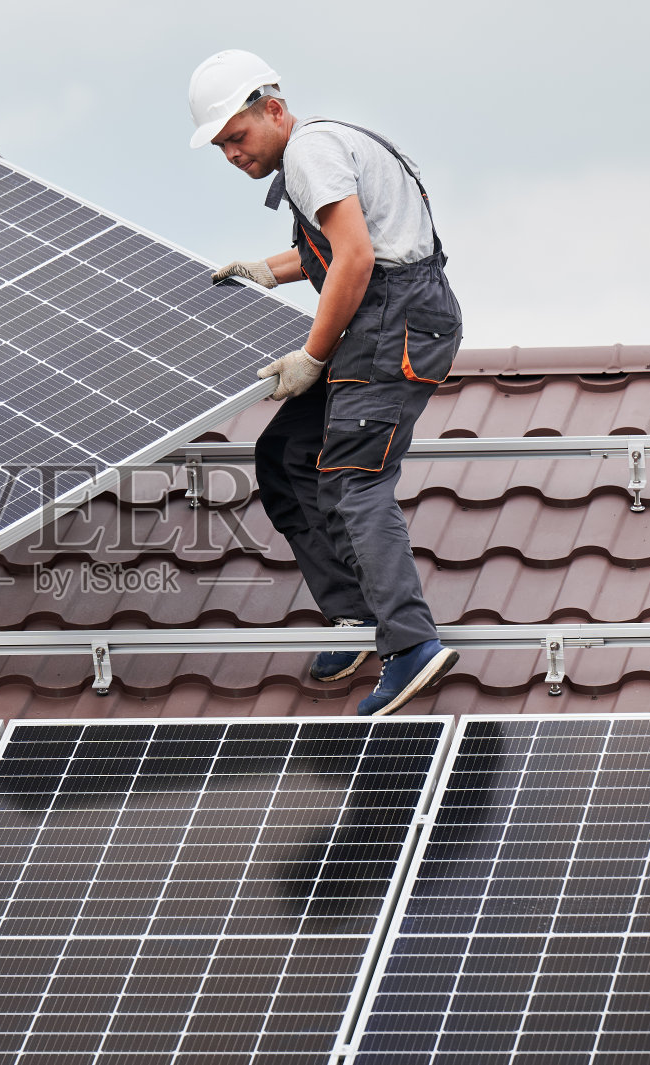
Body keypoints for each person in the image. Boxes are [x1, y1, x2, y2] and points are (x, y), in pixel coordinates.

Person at [190, 50, 463, 715]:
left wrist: (312, 355)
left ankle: (410, 644)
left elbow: (358, 258)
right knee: (284, 457)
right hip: (382, 322)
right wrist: (265, 269)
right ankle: (354, 616)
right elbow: (333, 251)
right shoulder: (322, 148)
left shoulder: (311, 153)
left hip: (396, 325)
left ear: (274, 110)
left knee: (352, 480)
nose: (231, 152)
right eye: (221, 143)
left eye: (237, 135)